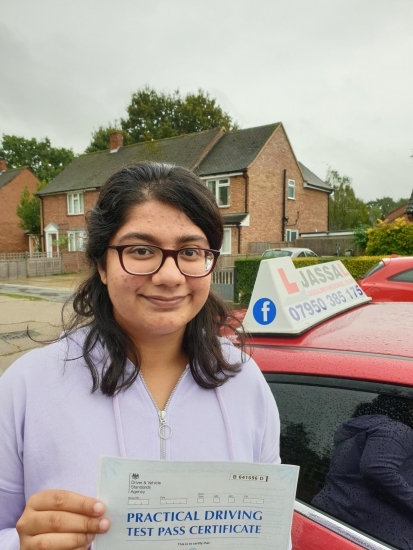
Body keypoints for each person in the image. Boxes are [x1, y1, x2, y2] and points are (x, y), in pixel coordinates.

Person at [0, 162, 281, 550]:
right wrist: (19, 544)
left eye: (191, 251)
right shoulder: (28, 387)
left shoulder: (245, 381)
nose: (170, 276)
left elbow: (270, 534)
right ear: (102, 263)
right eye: (142, 250)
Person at [312, 395, 413, 550]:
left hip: (335, 521)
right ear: (408, 407)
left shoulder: (364, 430)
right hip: (369, 533)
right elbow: (378, 469)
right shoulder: (396, 431)